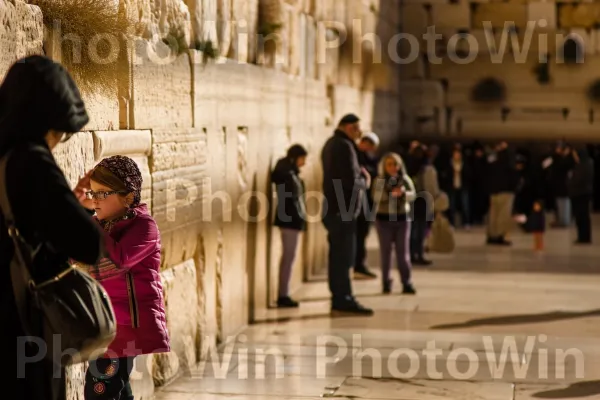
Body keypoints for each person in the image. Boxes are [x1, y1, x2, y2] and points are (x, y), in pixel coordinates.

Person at [0, 55, 105, 400]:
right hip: (24, 328)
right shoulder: (30, 159)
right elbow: (87, 243)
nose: (58, 141)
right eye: (58, 131)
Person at [78, 155, 170, 400]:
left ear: (128, 196)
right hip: (106, 323)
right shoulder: (103, 223)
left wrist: (89, 223)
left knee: (100, 390)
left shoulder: (144, 226)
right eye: (92, 192)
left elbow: (119, 260)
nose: (94, 199)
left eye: (102, 194)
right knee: (116, 388)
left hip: (127, 325)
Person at [321, 114, 373, 315]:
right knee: (344, 257)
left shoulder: (331, 144)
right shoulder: (344, 146)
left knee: (339, 256)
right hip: (343, 209)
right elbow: (350, 179)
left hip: (334, 207)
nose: (360, 133)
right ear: (349, 127)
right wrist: (364, 181)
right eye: (357, 128)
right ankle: (343, 298)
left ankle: (341, 296)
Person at [372, 153, 417, 294]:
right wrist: (390, 193)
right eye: (389, 164)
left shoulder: (404, 179)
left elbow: (413, 194)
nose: (392, 167)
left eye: (395, 164)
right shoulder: (380, 180)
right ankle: (386, 282)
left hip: (402, 219)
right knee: (386, 253)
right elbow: (376, 197)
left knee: (403, 254)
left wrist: (403, 193)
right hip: (384, 219)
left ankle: (406, 282)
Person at [271, 144, 308, 307]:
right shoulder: (287, 173)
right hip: (289, 220)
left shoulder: (290, 173)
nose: (304, 163)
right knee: (288, 258)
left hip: (291, 220)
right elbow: (292, 198)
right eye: (302, 159)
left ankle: (284, 293)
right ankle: (283, 294)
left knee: (289, 257)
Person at [354, 132, 380, 280]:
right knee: (357, 234)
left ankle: (359, 264)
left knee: (362, 234)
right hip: (358, 201)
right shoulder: (356, 156)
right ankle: (357, 264)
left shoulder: (369, 158)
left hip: (367, 201)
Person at [411, 146, 438, 265]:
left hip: (411, 201)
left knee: (412, 230)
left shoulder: (408, 167)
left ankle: (411, 254)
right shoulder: (427, 169)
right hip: (423, 202)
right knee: (421, 230)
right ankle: (419, 254)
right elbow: (432, 189)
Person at [486, 141, 517, 245]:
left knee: (493, 214)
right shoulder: (508, 161)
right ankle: (501, 235)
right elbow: (512, 171)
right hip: (505, 190)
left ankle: (492, 235)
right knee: (503, 215)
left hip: (494, 190)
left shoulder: (492, 161)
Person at [569, 146, 594, 244]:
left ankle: (584, 237)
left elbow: (577, 179)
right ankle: (582, 236)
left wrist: (570, 181)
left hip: (581, 194)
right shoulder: (584, 164)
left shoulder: (584, 165)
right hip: (580, 193)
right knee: (581, 217)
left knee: (582, 216)